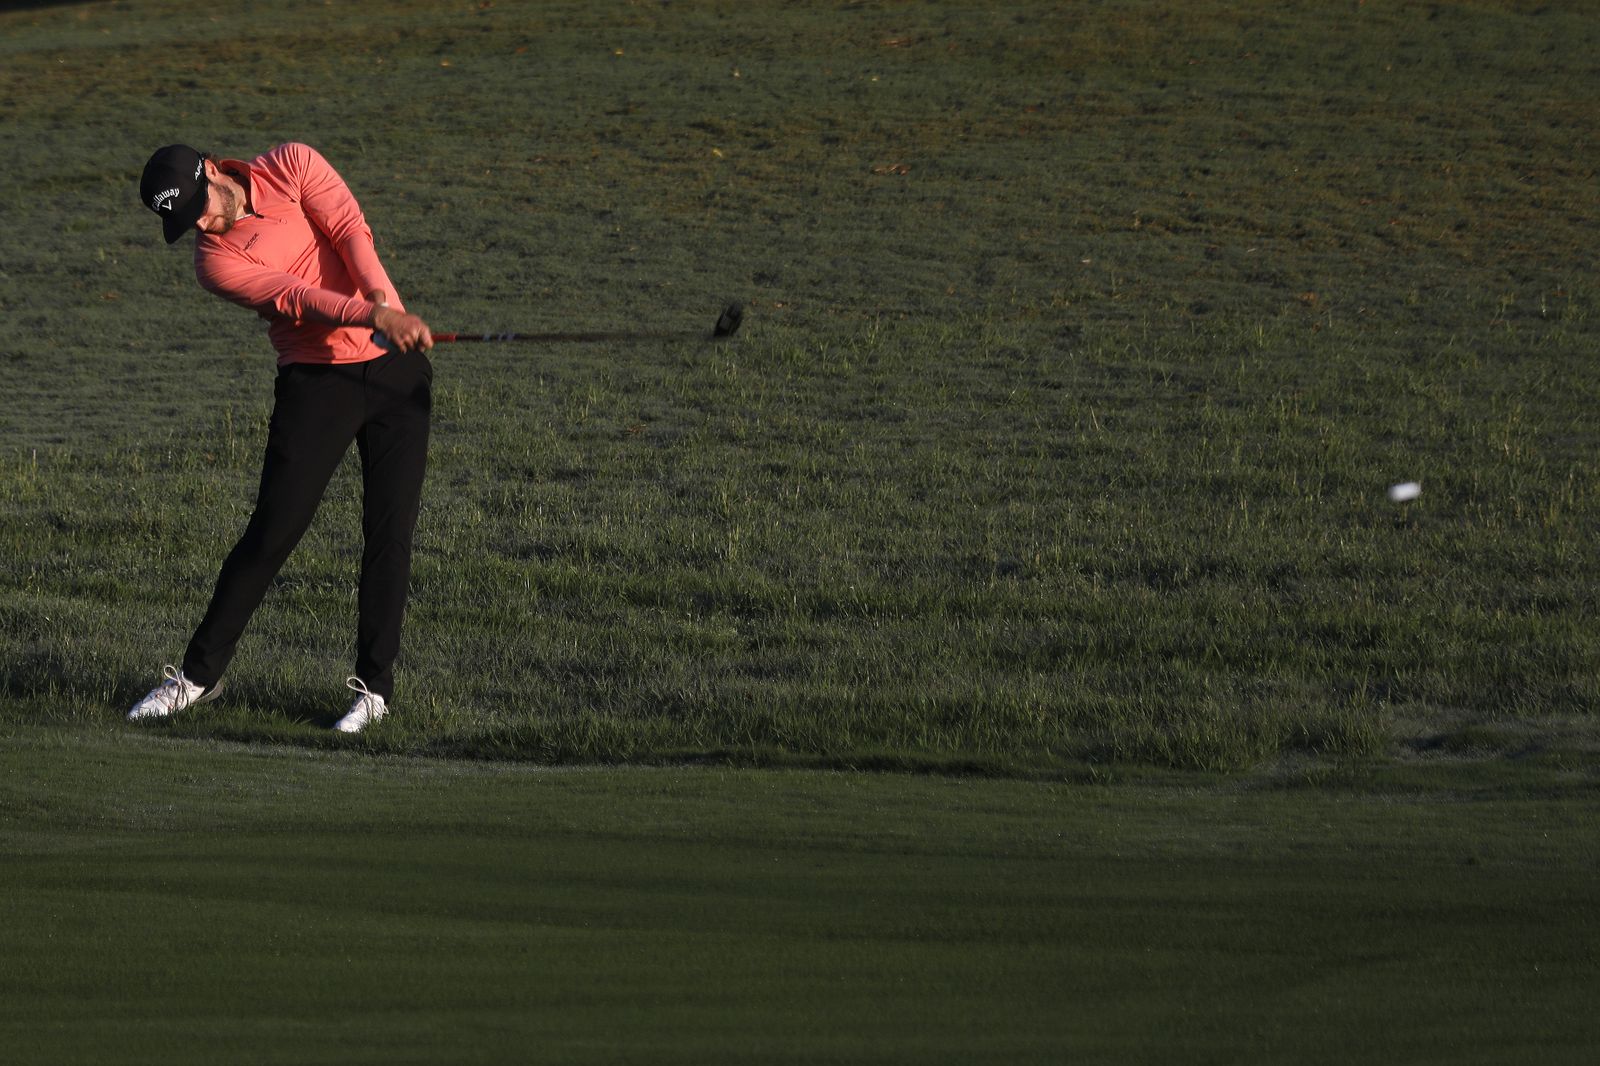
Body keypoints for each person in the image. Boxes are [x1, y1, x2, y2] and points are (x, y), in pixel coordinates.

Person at [128, 142, 435, 732]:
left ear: (213, 170)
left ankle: (373, 691)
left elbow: (348, 226)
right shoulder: (213, 264)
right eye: (185, 220)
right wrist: (373, 316)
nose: (203, 223)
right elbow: (293, 297)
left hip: (394, 365)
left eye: (202, 205)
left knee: (390, 532)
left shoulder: (291, 164)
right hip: (317, 384)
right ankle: (196, 677)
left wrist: (380, 302)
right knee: (273, 531)